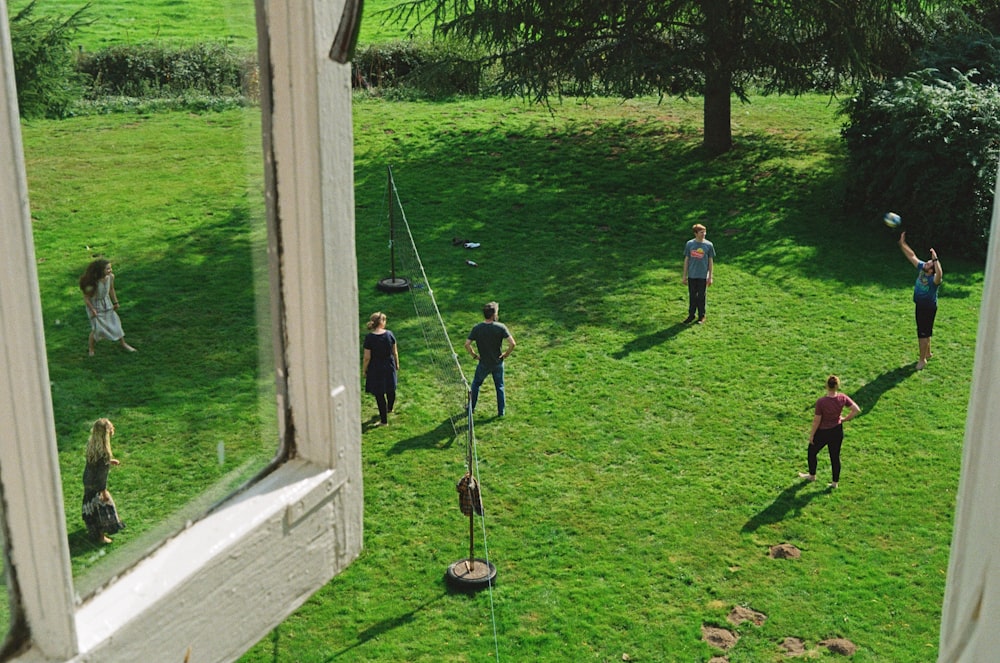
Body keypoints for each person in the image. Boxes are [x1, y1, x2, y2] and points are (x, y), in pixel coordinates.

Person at [799, 375, 861, 489]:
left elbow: (816, 421)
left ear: (826, 385)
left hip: (823, 432)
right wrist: (844, 419)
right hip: (837, 431)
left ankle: (812, 476)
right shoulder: (842, 398)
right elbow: (856, 409)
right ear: (837, 385)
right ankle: (834, 483)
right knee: (835, 457)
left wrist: (812, 435)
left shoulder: (821, 402)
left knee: (811, 452)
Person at [898, 232, 943, 370]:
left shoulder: (934, 279)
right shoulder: (923, 268)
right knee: (925, 331)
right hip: (920, 305)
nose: (926, 263)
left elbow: (940, 274)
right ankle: (927, 353)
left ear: (931, 270)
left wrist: (935, 259)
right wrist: (902, 244)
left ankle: (922, 360)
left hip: (927, 308)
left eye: (929, 263)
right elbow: (912, 256)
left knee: (922, 333)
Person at [465, 301, 516, 417]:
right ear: (494, 315)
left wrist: (474, 355)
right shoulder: (500, 327)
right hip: (498, 362)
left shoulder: (477, 328)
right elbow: (512, 344)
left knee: (476, 384)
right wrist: (506, 354)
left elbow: (467, 344)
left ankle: (471, 407)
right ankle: (501, 412)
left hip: (483, 363)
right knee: (500, 386)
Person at [79, 258, 136, 356]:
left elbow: (111, 289)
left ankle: (123, 344)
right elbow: (86, 298)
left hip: (107, 304)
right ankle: (91, 349)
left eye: (110, 268)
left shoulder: (111, 277)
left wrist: (115, 302)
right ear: (100, 270)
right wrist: (92, 310)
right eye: (108, 269)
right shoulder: (92, 282)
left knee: (116, 324)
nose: (110, 270)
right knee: (97, 329)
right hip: (95, 307)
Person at [82, 418, 126, 544]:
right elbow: (102, 475)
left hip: (87, 480)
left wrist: (110, 462)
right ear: (106, 433)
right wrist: (104, 492)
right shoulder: (104, 453)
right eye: (111, 428)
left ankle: (92, 530)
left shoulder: (91, 445)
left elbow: (95, 463)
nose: (113, 429)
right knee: (103, 509)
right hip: (97, 484)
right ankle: (100, 537)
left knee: (90, 506)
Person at [362, 312, 399, 426]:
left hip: (376, 367)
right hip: (389, 364)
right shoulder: (390, 334)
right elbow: (395, 352)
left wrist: (364, 370)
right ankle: (390, 408)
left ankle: (384, 421)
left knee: (379, 394)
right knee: (390, 388)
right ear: (382, 323)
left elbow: (367, 357)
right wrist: (397, 364)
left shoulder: (369, 338)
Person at [681, 223, 715, 324]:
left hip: (703, 276)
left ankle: (701, 316)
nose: (704, 234)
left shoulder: (709, 245)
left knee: (701, 296)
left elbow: (710, 261)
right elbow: (687, 260)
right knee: (692, 296)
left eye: (705, 232)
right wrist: (684, 276)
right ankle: (691, 315)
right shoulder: (690, 244)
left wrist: (710, 276)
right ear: (695, 233)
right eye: (701, 232)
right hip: (692, 275)